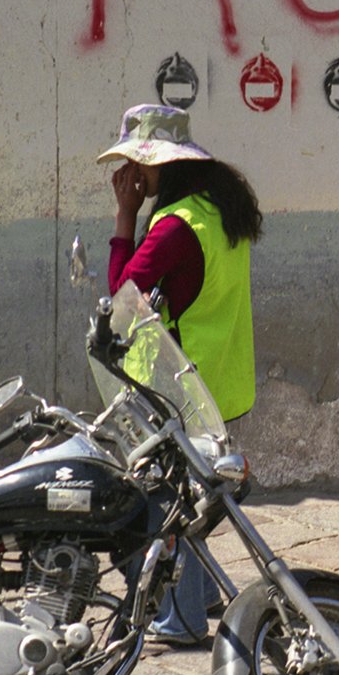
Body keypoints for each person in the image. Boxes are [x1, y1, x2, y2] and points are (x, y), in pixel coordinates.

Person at [98, 102, 263, 646]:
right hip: (217, 376)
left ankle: (183, 615)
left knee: (161, 501)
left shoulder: (174, 226)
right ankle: (204, 592)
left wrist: (125, 216)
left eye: (136, 167)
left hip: (176, 385)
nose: (129, 178)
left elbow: (122, 297)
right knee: (187, 490)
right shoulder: (218, 208)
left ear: (158, 166)